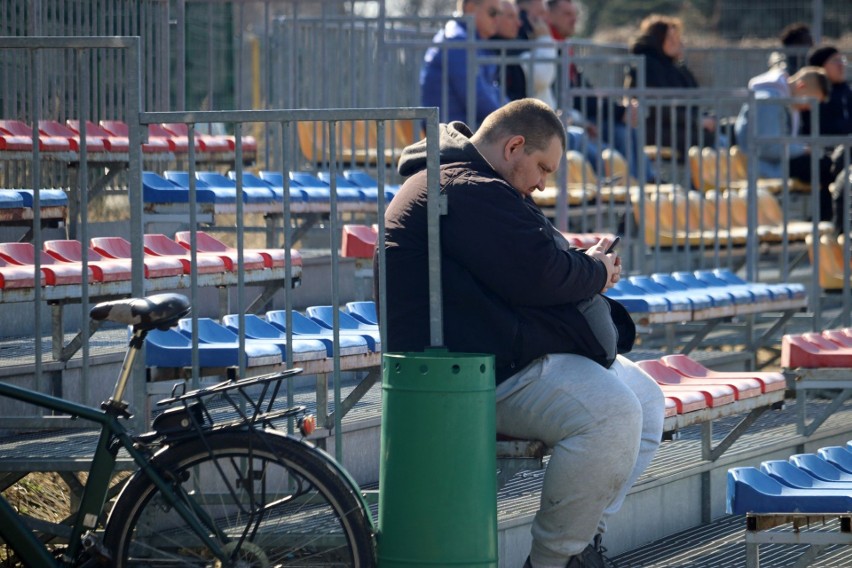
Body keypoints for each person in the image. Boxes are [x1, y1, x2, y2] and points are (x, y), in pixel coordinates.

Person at [382, 98, 665, 568]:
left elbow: (532, 268)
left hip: (503, 353)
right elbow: (540, 274)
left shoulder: (479, 185)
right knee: (612, 413)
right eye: (541, 167)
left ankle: (582, 542)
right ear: (514, 145)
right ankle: (553, 560)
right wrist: (594, 270)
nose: (542, 182)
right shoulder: (465, 187)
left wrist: (583, 267)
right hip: (462, 374)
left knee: (647, 400)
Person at [547, 0, 654, 182]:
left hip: (582, 118)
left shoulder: (565, 47)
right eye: (567, 14)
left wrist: (619, 109)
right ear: (549, 15)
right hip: (570, 120)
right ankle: (630, 190)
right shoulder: (549, 48)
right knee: (617, 137)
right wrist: (619, 111)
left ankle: (645, 182)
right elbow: (574, 97)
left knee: (626, 130)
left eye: (575, 15)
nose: (574, 20)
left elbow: (583, 92)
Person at [734, 66, 833, 222]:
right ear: (801, 86)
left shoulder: (783, 100)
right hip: (767, 164)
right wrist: (802, 149)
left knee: (828, 164)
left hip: (778, 160)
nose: (808, 108)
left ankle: (823, 222)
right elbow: (767, 146)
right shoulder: (769, 100)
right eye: (810, 102)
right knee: (828, 167)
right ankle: (824, 223)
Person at [624, 14, 716, 161]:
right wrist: (697, 121)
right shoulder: (647, 65)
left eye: (678, 39)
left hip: (676, 125)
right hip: (655, 128)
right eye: (671, 39)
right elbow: (661, 109)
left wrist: (704, 118)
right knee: (706, 138)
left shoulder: (672, 65)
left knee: (725, 130)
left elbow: (691, 98)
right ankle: (700, 183)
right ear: (658, 39)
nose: (678, 43)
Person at [421, 0, 507, 126]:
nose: (498, 20)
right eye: (493, 13)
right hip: (451, 136)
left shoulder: (469, 40)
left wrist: (516, 113)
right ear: (471, 8)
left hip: (461, 131)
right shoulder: (457, 42)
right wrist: (512, 118)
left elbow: (493, 92)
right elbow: (478, 100)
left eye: (500, 14)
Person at [801, 46, 852, 137]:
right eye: (835, 61)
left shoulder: (847, 92)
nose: (841, 65)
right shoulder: (809, 93)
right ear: (820, 67)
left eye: (842, 60)